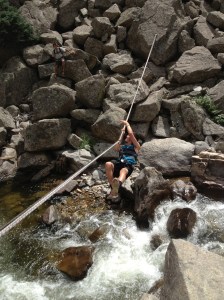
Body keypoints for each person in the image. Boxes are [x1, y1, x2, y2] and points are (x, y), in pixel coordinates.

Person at [105, 120, 141, 202]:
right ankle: (113, 188)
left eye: (127, 136)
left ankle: (117, 185)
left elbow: (131, 135)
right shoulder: (122, 146)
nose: (127, 136)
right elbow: (116, 148)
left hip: (127, 165)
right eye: (127, 135)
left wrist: (127, 125)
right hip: (118, 163)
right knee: (108, 164)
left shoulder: (136, 147)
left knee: (123, 170)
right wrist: (121, 135)